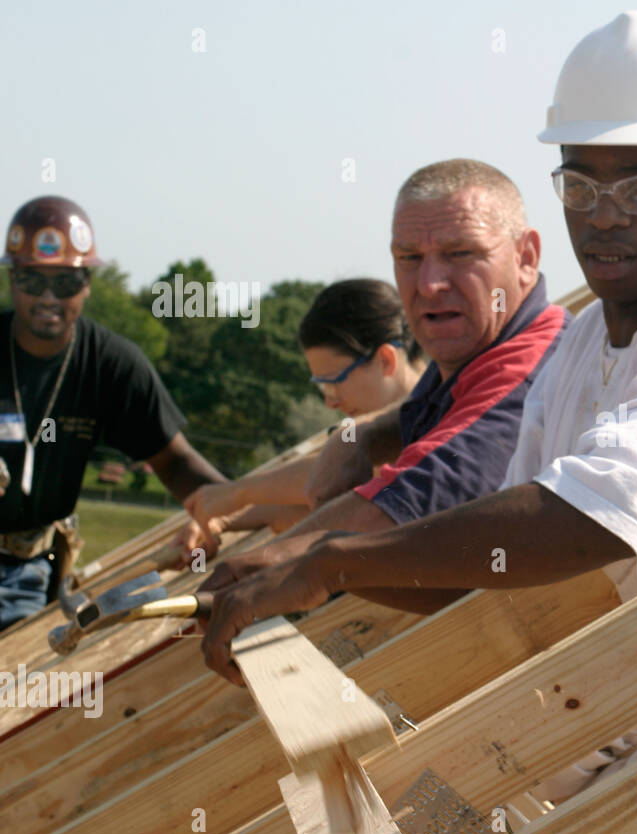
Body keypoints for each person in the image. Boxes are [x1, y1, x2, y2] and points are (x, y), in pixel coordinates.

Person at [199, 11, 637, 803]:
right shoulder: (584, 342)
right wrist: (319, 575)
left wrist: (327, 560)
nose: (604, 213)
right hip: (564, 765)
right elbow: (495, 573)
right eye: (581, 182)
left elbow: (587, 519)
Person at [187, 159, 567, 572]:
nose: (429, 284)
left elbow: (403, 503)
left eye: (461, 253)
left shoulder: (528, 370)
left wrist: (237, 581)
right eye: (408, 257)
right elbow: (413, 435)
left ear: (525, 257)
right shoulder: (468, 355)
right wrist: (362, 437)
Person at [0, 196, 227, 632]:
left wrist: (239, 508)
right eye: (32, 279)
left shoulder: (111, 364)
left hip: (28, 573)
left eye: (65, 283)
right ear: (13, 279)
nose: (48, 297)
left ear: (87, 283)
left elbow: (176, 461)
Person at [176, 278, 426, 552]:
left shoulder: (437, 417)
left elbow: (331, 475)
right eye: (321, 386)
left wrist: (238, 494)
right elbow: (313, 506)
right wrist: (224, 516)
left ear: (386, 360)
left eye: (334, 381)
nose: (330, 402)